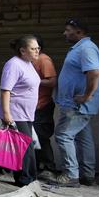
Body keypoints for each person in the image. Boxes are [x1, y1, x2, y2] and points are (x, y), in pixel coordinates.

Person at [53, 19, 99, 187]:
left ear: (79, 32)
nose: (64, 33)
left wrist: (87, 95)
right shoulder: (81, 48)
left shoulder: (86, 48)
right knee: (83, 137)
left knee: (63, 134)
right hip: (75, 104)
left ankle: (71, 175)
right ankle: (87, 175)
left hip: (77, 106)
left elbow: (94, 72)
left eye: (68, 30)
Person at [0, 35, 41, 186]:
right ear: (22, 50)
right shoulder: (13, 64)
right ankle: (25, 181)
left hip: (27, 113)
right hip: (16, 112)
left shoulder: (28, 64)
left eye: (38, 48)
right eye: (33, 48)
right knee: (26, 148)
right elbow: (5, 91)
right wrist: (7, 114)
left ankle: (25, 176)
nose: (37, 51)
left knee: (26, 146)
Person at [32, 35, 57, 174]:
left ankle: (49, 167)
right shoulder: (30, 61)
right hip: (31, 106)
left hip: (42, 106)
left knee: (41, 137)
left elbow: (52, 82)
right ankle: (36, 167)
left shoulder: (43, 60)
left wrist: (34, 81)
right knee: (32, 138)